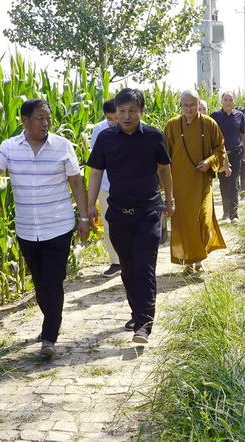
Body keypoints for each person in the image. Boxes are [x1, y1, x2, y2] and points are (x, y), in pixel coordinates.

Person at [0, 99, 91, 358]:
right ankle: (50, 320)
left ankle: (49, 338)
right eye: (39, 118)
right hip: (26, 228)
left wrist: (84, 218)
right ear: (24, 120)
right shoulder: (10, 147)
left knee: (54, 280)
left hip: (58, 224)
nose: (45, 123)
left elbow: (76, 183)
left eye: (48, 118)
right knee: (40, 282)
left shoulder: (62, 146)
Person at [87, 88, 174, 344]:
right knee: (128, 268)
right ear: (116, 112)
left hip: (148, 212)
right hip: (118, 214)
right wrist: (91, 205)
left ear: (141, 111)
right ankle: (137, 313)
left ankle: (144, 325)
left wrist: (170, 199)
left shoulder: (154, 136)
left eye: (132, 111)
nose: (126, 116)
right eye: (122, 111)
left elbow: (164, 169)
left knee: (145, 267)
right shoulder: (105, 138)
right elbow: (95, 172)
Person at [164, 90, 228, 274]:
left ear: (198, 104)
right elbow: (164, 155)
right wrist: (164, 183)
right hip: (179, 184)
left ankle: (199, 260)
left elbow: (220, 149)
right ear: (181, 105)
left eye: (192, 104)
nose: (189, 108)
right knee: (183, 222)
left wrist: (209, 162)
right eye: (185, 105)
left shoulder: (209, 124)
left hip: (201, 183)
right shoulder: (172, 125)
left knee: (202, 219)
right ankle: (187, 261)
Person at [90, 99, 121, 277]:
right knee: (108, 224)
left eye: (117, 118)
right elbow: (96, 164)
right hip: (105, 184)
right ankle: (116, 262)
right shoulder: (98, 130)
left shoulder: (133, 127)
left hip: (128, 185)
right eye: (110, 119)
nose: (114, 123)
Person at [210, 91, 245, 223]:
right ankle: (226, 211)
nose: (228, 102)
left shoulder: (239, 116)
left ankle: (234, 214)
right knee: (223, 182)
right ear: (222, 101)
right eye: (225, 99)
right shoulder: (215, 116)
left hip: (236, 152)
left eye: (230, 100)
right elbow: (210, 135)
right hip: (220, 154)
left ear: (234, 101)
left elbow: (243, 134)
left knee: (233, 181)